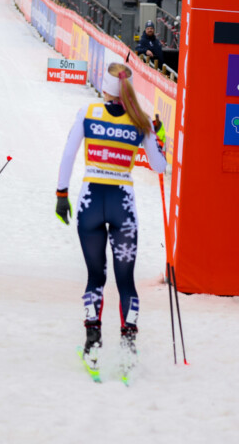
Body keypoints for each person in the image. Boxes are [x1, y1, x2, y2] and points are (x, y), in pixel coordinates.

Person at [55, 63, 167, 372]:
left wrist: (61, 194)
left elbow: (68, 153)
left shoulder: (88, 112)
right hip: (123, 203)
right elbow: (159, 167)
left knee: (95, 277)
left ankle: (92, 346)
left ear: (105, 88)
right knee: (126, 281)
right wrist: (159, 137)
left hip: (91, 201)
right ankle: (129, 350)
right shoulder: (140, 121)